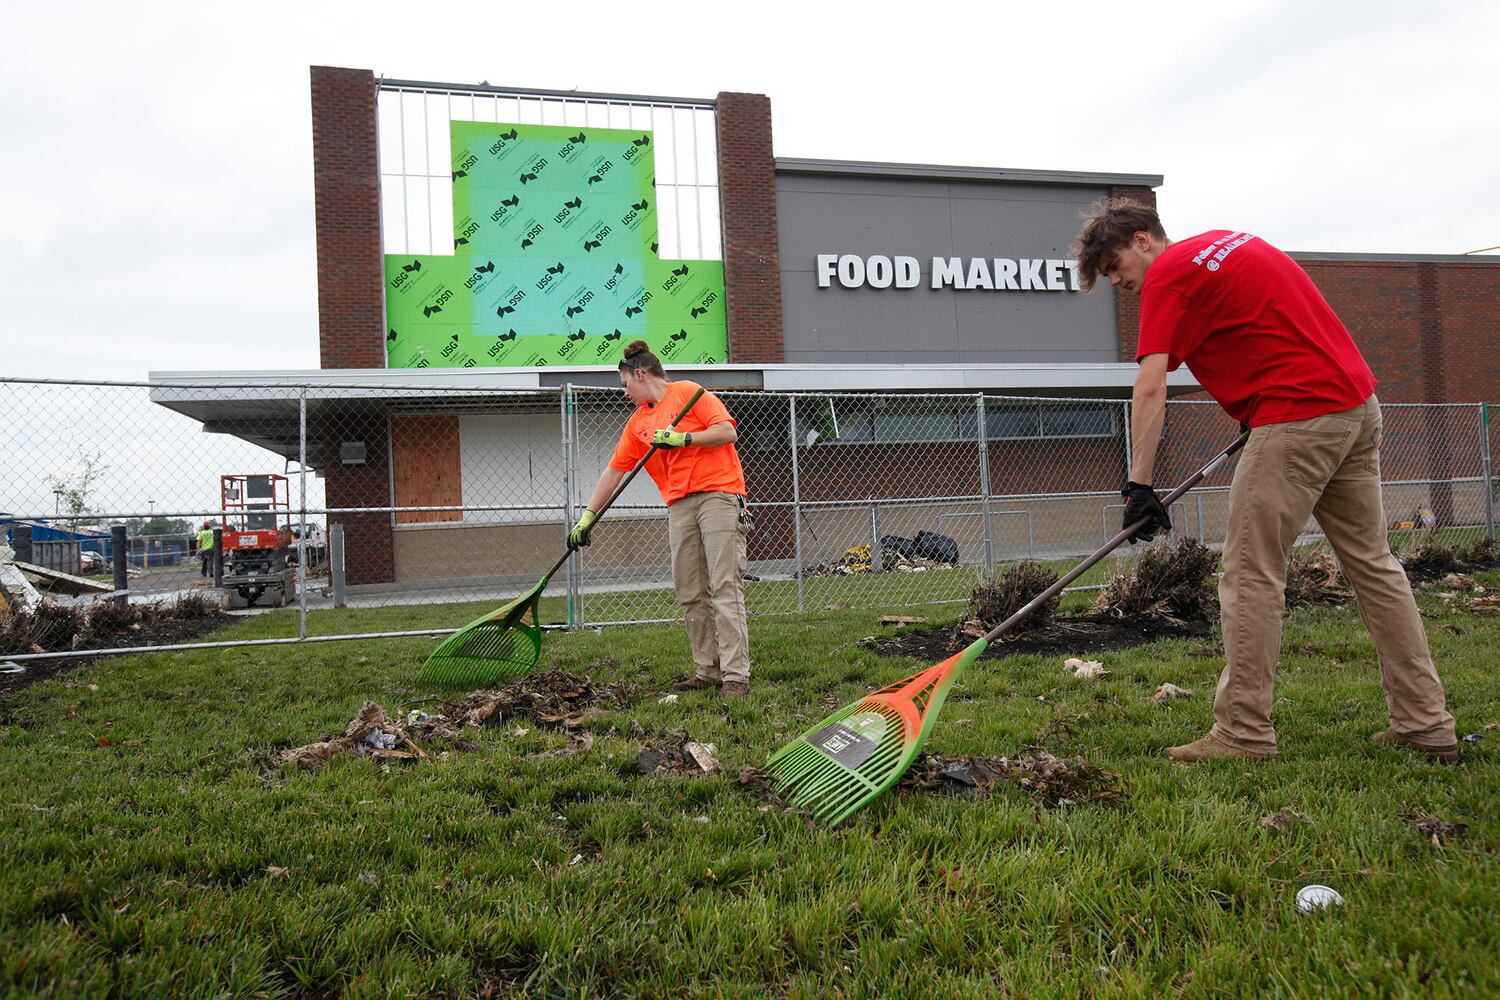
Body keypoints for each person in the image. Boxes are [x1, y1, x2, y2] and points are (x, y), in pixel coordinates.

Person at [1073, 199, 1457, 763]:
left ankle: (1243, 732)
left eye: (1113, 268)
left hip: (1297, 417)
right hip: (1355, 406)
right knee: (1375, 567)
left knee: (1250, 574)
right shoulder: (1232, 242)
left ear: (1140, 240)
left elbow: (1150, 386)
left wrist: (1140, 486)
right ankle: (1427, 723)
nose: (1118, 283)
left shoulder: (1170, 275)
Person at [569, 340, 753, 695]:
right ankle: (707, 670)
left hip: (718, 495)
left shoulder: (689, 393)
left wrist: (682, 438)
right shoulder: (638, 423)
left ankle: (735, 677)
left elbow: (727, 431)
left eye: (626, 386)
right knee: (690, 591)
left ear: (639, 374)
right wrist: (587, 517)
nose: (625, 394)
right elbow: (613, 472)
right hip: (679, 505)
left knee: (724, 586)